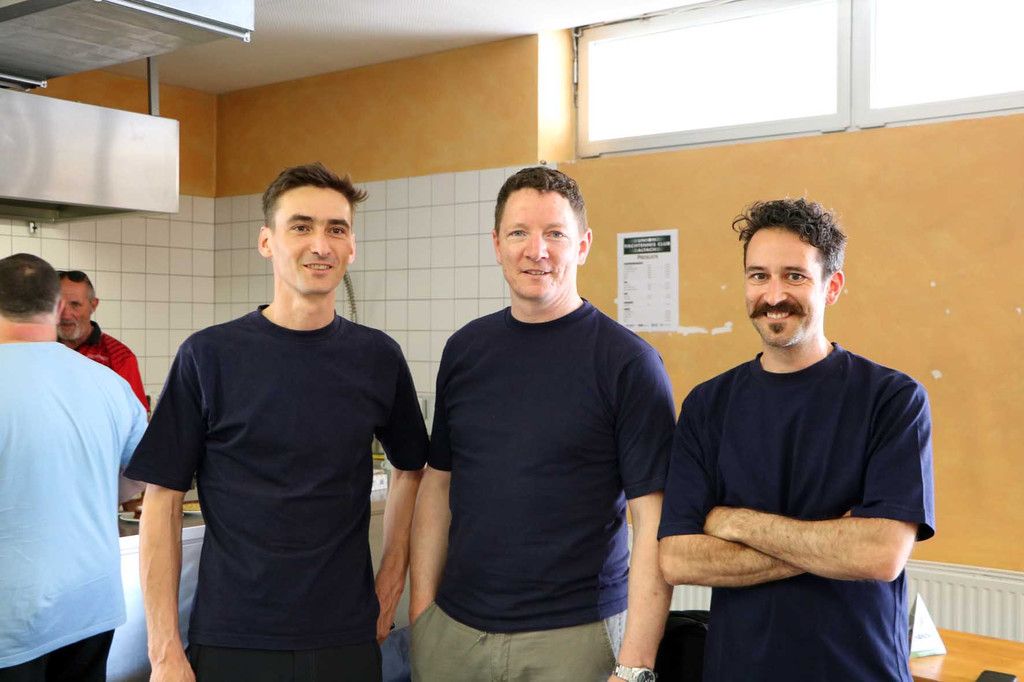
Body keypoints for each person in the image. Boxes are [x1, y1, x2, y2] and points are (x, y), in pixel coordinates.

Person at [124, 163, 429, 682]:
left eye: (336, 229)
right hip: (233, 635)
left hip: (346, 636)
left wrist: (391, 581)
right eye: (301, 226)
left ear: (352, 246)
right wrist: (164, 649)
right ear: (267, 241)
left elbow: (412, 468)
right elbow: (162, 501)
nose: (321, 245)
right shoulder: (209, 355)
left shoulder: (378, 357)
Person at [409, 167, 676, 682]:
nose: (537, 251)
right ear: (496, 244)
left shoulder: (628, 363)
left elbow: (653, 520)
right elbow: (438, 484)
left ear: (583, 245)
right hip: (455, 635)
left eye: (555, 233)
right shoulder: (464, 351)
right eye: (519, 233)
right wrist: (423, 615)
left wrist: (635, 665)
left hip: (574, 640)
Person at [658, 198, 936, 681]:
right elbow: (678, 559)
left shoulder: (892, 399)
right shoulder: (708, 405)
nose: (773, 294)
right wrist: (834, 544)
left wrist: (735, 521)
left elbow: (880, 554)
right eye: (759, 276)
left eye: (795, 276)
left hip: (858, 671)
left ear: (833, 287)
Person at [0, 254, 147, 681]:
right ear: (59, 306)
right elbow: (141, 477)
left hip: (12, 616)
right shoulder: (109, 384)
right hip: (89, 603)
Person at [58, 269, 148, 411]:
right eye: (58, 304)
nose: (66, 314)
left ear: (93, 305)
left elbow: (136, 416)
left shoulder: (119, 357)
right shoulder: (39, 349)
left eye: (75, 304)